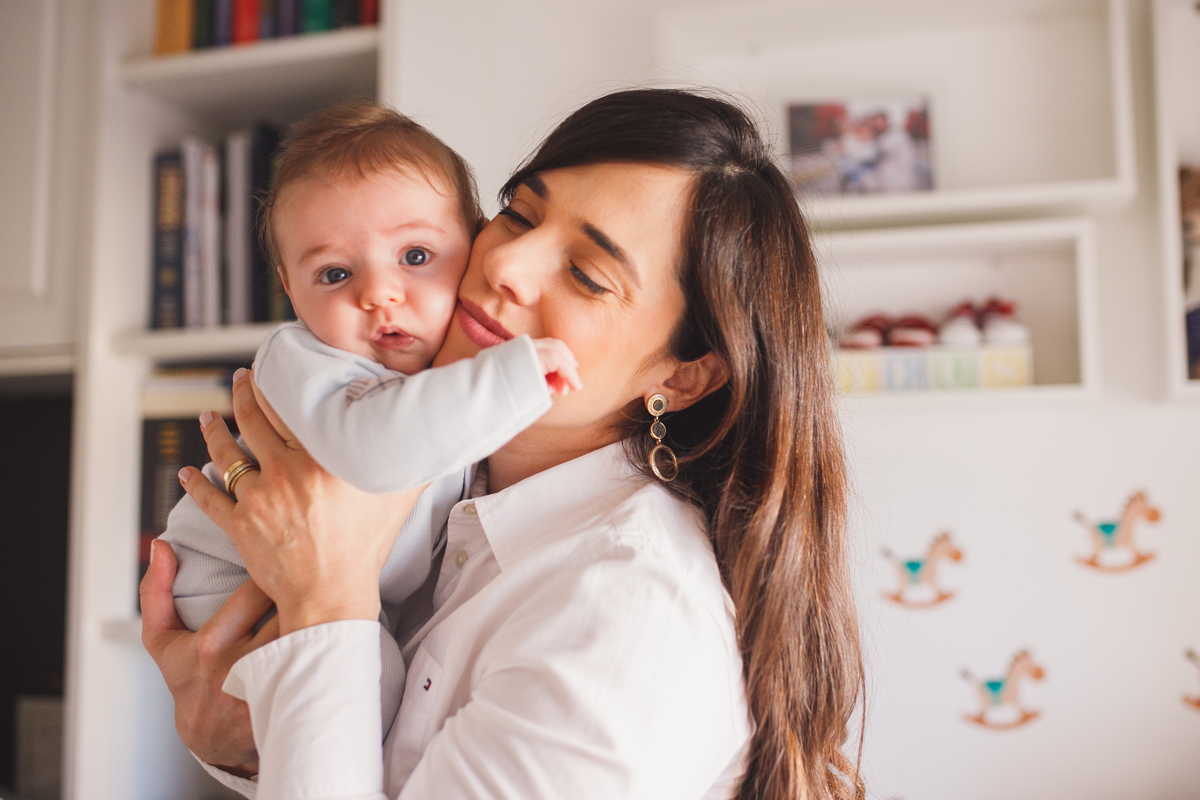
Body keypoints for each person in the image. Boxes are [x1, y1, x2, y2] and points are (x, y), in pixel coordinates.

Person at [142, 88, 865, 800]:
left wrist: (323, 599)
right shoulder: (454, 499)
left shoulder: (628, 618)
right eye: (518, 214)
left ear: (685, 375)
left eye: (586, 275)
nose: (506, 267)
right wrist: (231, 742)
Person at [158, 104, 581, 733]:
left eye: (415, 256)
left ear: (472, 242)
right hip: (232, 592)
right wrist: (513, 379)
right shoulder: (302, 359)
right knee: (367, 703)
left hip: (327, 588)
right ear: (290, 290)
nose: (378, 293)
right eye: (334, 274)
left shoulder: (441, 389)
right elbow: (374, 450)